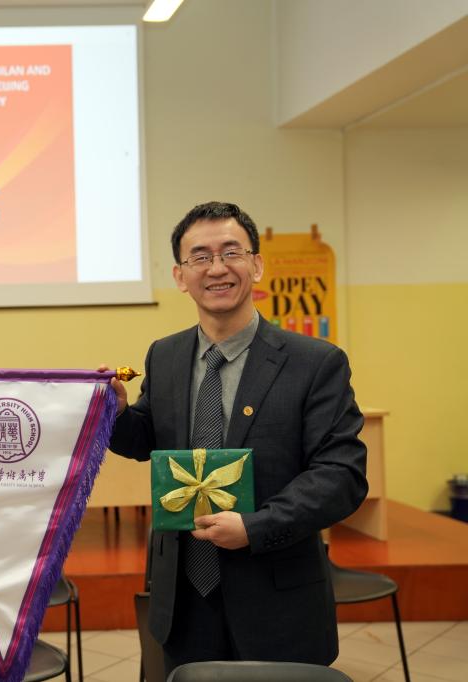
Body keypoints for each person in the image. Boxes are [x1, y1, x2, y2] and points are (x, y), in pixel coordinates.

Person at [107, 201, 368, 674]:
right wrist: (118, 414)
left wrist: (255, 526)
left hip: (277, 600)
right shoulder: (164, 355)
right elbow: (146, 439)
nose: (217, 268)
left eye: (231, 252)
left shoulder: (315, 363)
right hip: (182, 598)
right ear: (180, 276)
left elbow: (341, 476)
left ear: (257, 265)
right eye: (200, 257)